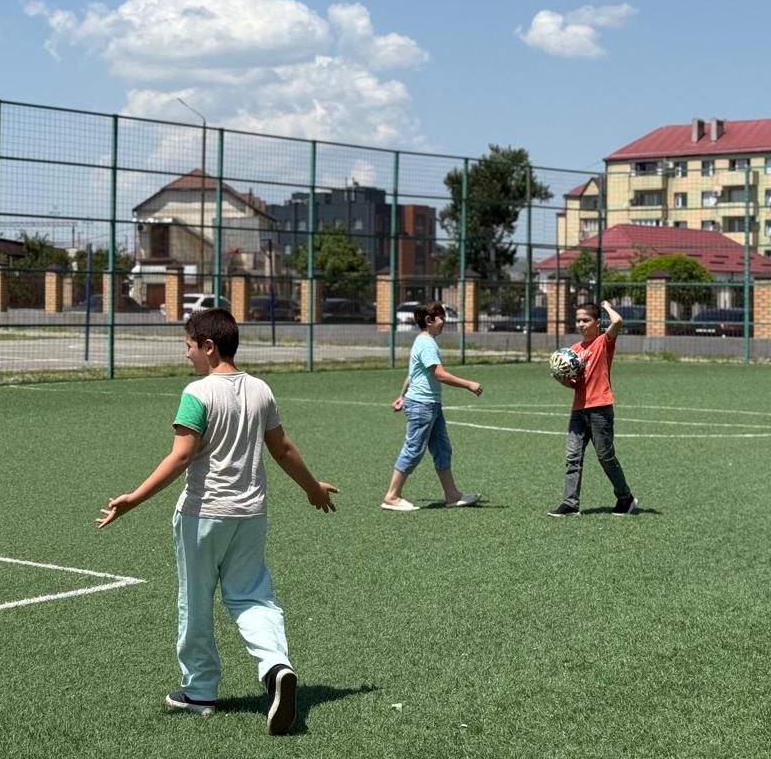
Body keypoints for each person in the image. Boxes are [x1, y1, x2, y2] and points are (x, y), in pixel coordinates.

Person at [96, 308, 337, 736]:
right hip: (251, 515)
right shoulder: (261, 389)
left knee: (196, 600)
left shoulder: (198, 393)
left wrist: (134, 498)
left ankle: (200, 691)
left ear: (209, 347)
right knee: (252, 596)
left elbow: (182, 456)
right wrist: (312, 487)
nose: (186, 353)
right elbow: (282, 448)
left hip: (202, 515)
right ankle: (275, 666)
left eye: (189, 345)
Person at [383, 300, 483, 512]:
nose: (444, 321)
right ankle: (392, 496)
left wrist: (402, 396)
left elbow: (413, 374)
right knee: (414, 449)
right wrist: (468, 384)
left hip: (431, 405)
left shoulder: (424, 342)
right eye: (441, 317)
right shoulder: (426, 343)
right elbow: (439, 374)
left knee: (442, 449)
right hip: (422, 406)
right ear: (429, 320)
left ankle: (452, 495)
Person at [548, 300, 638, 517]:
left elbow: (618, 321)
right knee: (573, 457)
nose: (581, 324)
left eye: (586, 320)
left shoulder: (603, 342)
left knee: (605, 456)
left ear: (597, 322)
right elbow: (575, 384)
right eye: (578, 320)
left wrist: (606, 307)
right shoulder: (573, 351)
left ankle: (625, 497)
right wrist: (562, 380)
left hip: (600, 408)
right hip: (578, 410)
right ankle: (570, 504)